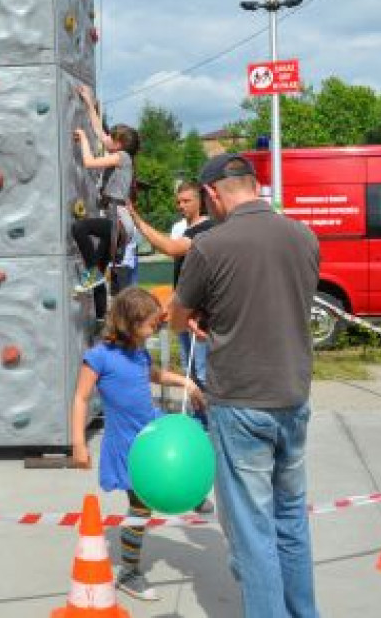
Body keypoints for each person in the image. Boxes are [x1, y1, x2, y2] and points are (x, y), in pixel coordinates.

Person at [171, 153, 320, 618]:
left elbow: (178, 313)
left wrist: (198, 321)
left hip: (240, 401)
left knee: (254, 531)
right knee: (291, 521)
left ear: (213, 194)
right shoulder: (304, 236)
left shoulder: (211, 246)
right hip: (293, 396)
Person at [71, 287, 204, 601]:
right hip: (129, 446)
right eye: (149, 322)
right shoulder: (99, 357)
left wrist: (184, 381)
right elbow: (80, 397)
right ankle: (129, 572)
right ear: (128, 322)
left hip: (152, 435)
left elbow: (151, 374)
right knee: (140, 508)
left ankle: (189, 493)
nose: (156, 325)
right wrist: (79, 443)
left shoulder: (139, 351)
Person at [129, 181, 214, 388]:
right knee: (189, 371)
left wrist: (137, 220)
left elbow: (172, 248)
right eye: (178, 201)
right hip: (184, 309)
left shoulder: (205, 228)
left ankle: (207, 418)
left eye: (186, 201)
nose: (181, 206)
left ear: (200, 201)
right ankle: (196, 416)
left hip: (199, 314)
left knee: (202, 374)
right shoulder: (187, 229)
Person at [70, 84, 141, 319]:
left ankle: (91, 275)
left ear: (119, 144)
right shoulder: (121, 154)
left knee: (79, 228)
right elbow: (100, 132)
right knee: (100, 272)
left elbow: (89, 162)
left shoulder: (121, 157)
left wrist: (82, 139)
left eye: (112, 138)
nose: (106, 139)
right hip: (116, 221)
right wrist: (90, 103)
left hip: (117, 222)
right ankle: (101, 319)